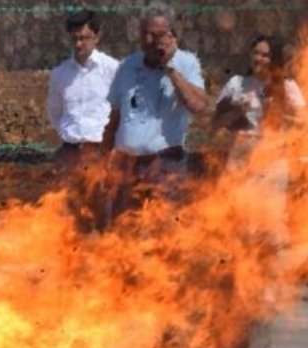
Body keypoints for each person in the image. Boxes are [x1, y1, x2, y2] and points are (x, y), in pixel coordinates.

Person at [101, 2, 208, 229]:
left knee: (163, 232)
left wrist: (169, 68)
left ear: (170, 35)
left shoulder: (186, 62)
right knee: (121, 230)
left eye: (158, 35)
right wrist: (104, 161)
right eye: (146, 34)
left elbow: (197, 105)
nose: (152, 41)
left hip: (165, 165)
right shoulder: (127, 66)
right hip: (126, 166)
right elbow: (114, 119)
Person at [46, 10, 118, 176]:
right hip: (69, 154)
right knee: (63, 201)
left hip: (101, 153)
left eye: (84, 38)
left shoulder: (112, 69)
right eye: (74, 39)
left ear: (97, 37)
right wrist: (70, 135)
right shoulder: (59, 74)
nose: (78, 44)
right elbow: (54, 111)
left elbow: (123, 109)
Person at [213, 35, 305, 162]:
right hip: (242, 154)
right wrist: (235, 112)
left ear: (274, 59)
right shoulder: (236, 83)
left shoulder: (288, 86)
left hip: (273, 156)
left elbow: (303, 123)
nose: (258, 58)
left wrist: (279, 114)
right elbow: (215, 123)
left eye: (265, 55)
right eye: (255, 53)